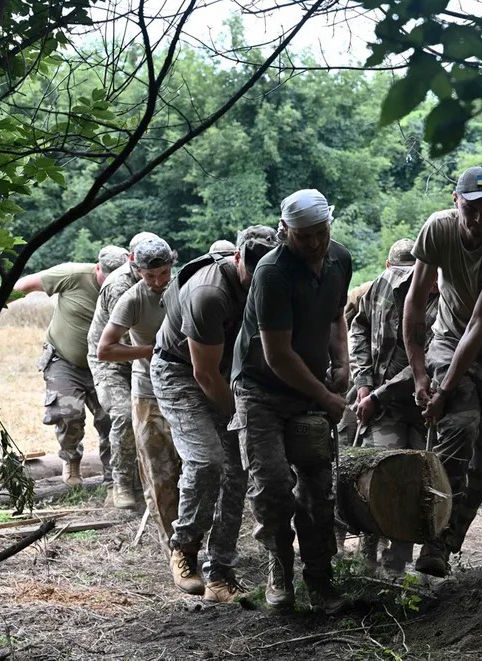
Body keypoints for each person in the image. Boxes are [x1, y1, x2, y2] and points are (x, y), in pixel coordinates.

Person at [230, 189, 353, 614]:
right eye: (304, 237)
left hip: (310, 389)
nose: (315, 243)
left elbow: (337, 315)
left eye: (321, 233)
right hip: (262, 392)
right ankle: (279, 567)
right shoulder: (272, 273)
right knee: (273, 485)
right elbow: (277, 355)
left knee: (319, 490)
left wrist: (342, 362)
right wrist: (325, 396)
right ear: (286, 232)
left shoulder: (339, 259)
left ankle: (320, 579)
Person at [403, 166, 482, 578]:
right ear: (455, 200)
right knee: (459, 424)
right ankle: (432, 541)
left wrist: (442, 390)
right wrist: (420, 374)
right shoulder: (437, 230)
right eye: (471, 209)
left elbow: (479, 325)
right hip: (447, 338)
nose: (478, 220)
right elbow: (416, 301)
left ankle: (448, 539)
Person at [152, 226, 278, 602]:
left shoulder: (272, 275)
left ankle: (220, 574)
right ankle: (184, 547)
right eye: (252, 272)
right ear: (238, 258)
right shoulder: (210, 293)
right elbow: (202, 374)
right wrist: (239, 418)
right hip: (180, 371)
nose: (259, 281)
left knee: (237, 467)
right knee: (207, 459)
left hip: (225, 371)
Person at [350, 238, 439, 577]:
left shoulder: (445, 303)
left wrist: (377, 395)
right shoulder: (383, 286)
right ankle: (367, 554)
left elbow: (427, 361)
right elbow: (358, 327)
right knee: (377, 476)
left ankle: (397, 566)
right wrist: (363, 382)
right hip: (379, 403)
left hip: (419, 404)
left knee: (414, 481)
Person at [13, 246, 128, 486]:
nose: (110, 283)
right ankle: (71, 458)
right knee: (68, 413)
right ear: (98, 268)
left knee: (111, 418)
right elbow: (24, 286)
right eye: (106, 277)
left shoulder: (128, 287)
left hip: (107, 366)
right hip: (64, 360)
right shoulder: (73, 275)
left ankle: (113, 479)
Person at [97, 238, 182, 554]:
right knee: (159, 476)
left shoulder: (183, 289)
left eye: (164, 273)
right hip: (148, 394)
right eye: (150, 276)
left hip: (187, 392)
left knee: (193, 472)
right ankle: (173, 548)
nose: (159, 282)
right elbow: (105, 350)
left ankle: (194, 541)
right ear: (136, 268)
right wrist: (154, 350)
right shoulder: (130, 300)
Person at [87, 231, 161, 508]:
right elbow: (123, 342)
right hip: (111, 360)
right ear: (132, 260)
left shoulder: (161, 278)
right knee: (124, 414)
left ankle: (152, 481)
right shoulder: (120, 286)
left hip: (144, 355)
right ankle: (121, 483)